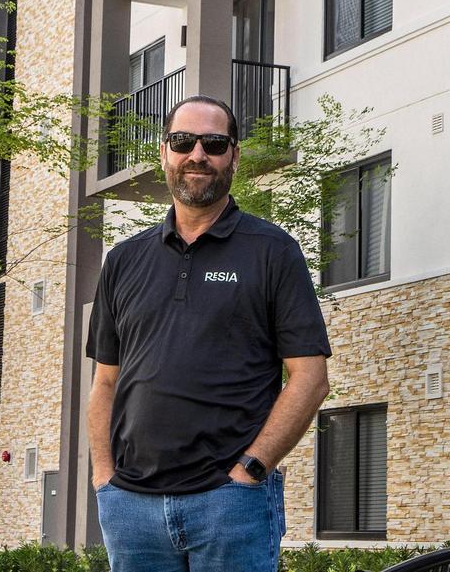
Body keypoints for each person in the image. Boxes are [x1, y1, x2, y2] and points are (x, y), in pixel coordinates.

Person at [86, 95, 332, 572]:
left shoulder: (273, 252)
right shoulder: (123, 260)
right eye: (183, 141)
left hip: (228, 505)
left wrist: (251, 471)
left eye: (214, 143)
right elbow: (105, 384)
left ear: (233, 156)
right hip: (132, 509)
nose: (198, 155)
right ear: (164, 153)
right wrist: (104, 478)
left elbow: (310, 378)